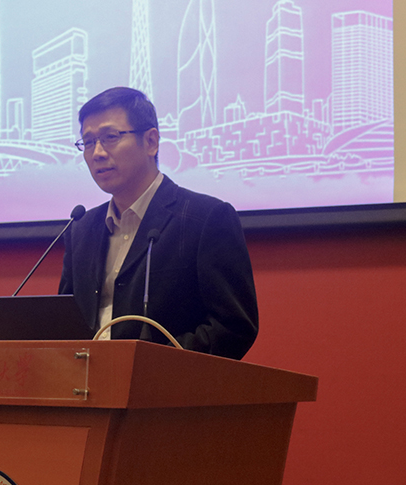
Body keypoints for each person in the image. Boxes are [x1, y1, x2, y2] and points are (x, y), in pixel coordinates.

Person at [58, 87, 258, 360]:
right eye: (88, 142)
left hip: (163, 382)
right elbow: (67, 324)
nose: (97, 153)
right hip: (86, 381)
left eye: (110, 137)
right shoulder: (81, 229)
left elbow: (233, 327)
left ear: (151, 141)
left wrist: (150, 363)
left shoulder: (206, 218)